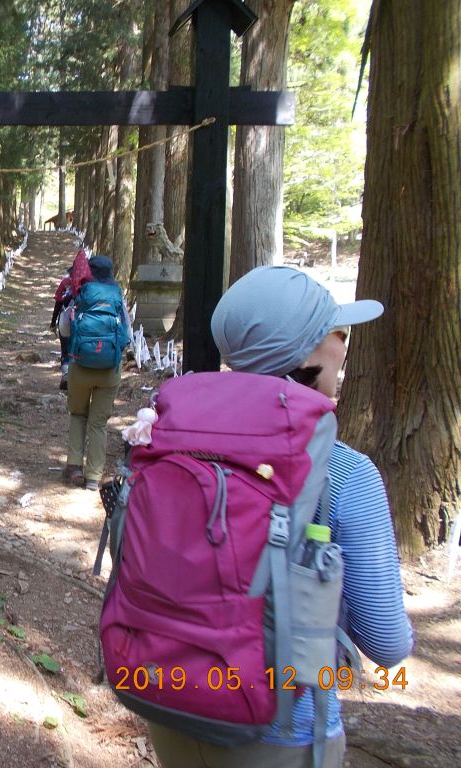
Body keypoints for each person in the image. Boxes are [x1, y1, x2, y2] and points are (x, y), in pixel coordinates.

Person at [146, 266, 413, 768]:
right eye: (338, 331)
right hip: (281, 731)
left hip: (169, 700)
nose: (345, 345)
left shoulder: (171, 440)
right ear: (308, 354)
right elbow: (387, 642)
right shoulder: (346, 473)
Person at [63, 255, 127, 491]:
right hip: (109, 370)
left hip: (80, 366)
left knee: (79, 415)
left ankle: (74, 468)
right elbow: (126, 336)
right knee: (99, 423)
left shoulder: (80, 294)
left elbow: (65, 329)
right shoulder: (117, 297)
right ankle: (93, 476)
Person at [50, 267, 74, 390]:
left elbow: (58, 303)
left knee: (65, 351)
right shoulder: (90, 285)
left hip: (65, 322)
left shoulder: (66, 283)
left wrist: (53, 322)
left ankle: (66, 375)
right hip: (84, 324)